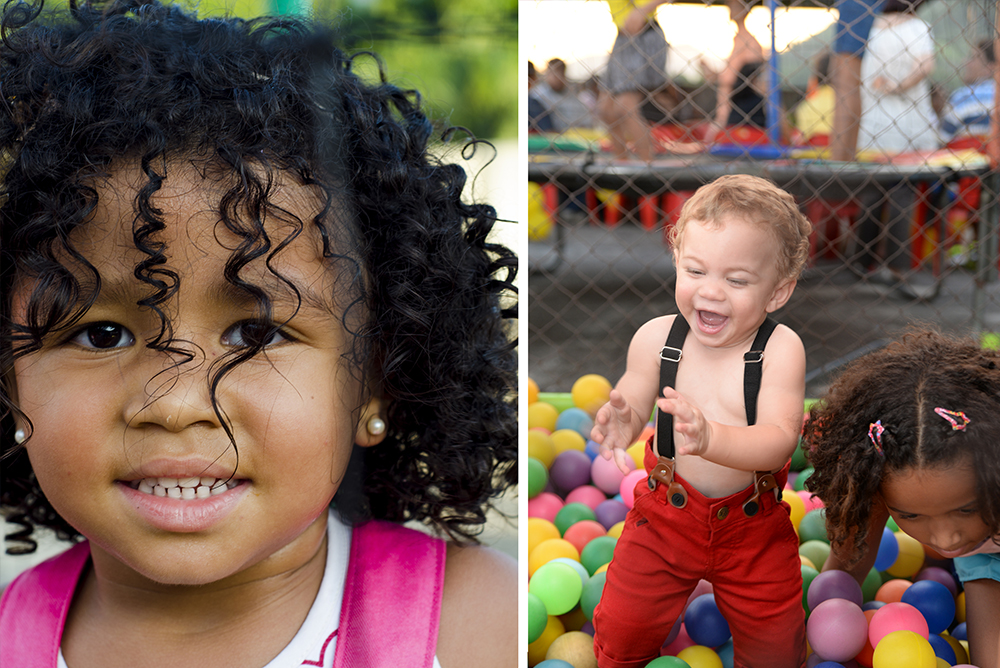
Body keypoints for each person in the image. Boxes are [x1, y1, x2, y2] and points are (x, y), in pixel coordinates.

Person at [0, 1, 518, 667]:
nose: (175, 404)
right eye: (102, 335)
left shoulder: (476, 628)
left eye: (253, 333)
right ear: (11, 386)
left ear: (373, 384)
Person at [590, 175, 812, 668]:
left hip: (753, 530)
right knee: (622, 628)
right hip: (666, 518)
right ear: (676, 262)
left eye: (736, 280)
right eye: (695, 271)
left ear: (778, 292)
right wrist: (621, 421)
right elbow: (632, 394)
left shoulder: (779, 350)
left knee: (777, 647)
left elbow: (777, 443)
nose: (710, 292)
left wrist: (711, 438)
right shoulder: (655, 338)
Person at [803, 329, 1000, 668]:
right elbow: (842, 577)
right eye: (911, 516)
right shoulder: (879, 481)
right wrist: (822, 632)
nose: (944, 538)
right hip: (985, 558)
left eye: (966, 509)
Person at [599, 0, 672, 161]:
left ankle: (647, 165)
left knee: (625, 106)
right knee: (606, 108)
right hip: (622, 38)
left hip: (645, 32)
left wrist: (642, 10)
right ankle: (621, 163)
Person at [939, 39, 995, 148]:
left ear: (990, 67)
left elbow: (943, 139)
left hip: (967, 160)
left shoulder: (962, 97)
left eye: (972, 58)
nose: (965, 62)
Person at [532, 58, 594, 132]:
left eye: (560, 73)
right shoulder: (537, 94)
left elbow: (586, 119)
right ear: (547, 73)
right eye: (553, 74)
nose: (556, 78)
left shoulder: (572, 94)